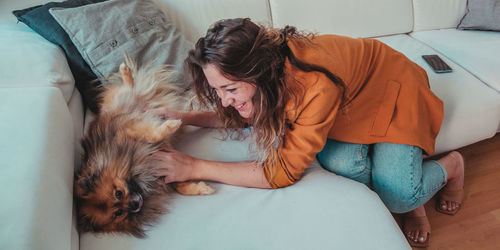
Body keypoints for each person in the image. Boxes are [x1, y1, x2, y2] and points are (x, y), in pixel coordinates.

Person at [152, 18, 464, 248]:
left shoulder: (312, 86)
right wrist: (183, 118)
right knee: (345, 166)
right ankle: (405, 182)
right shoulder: (264, 73)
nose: (223, 100)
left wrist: (193, 167)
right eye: (217, 90)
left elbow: (281, 172)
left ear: (255, 74)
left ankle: (450, 169)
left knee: (398, 195)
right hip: (349, 104)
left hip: (393, 87)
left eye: (229, 89)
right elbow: (243, 115)